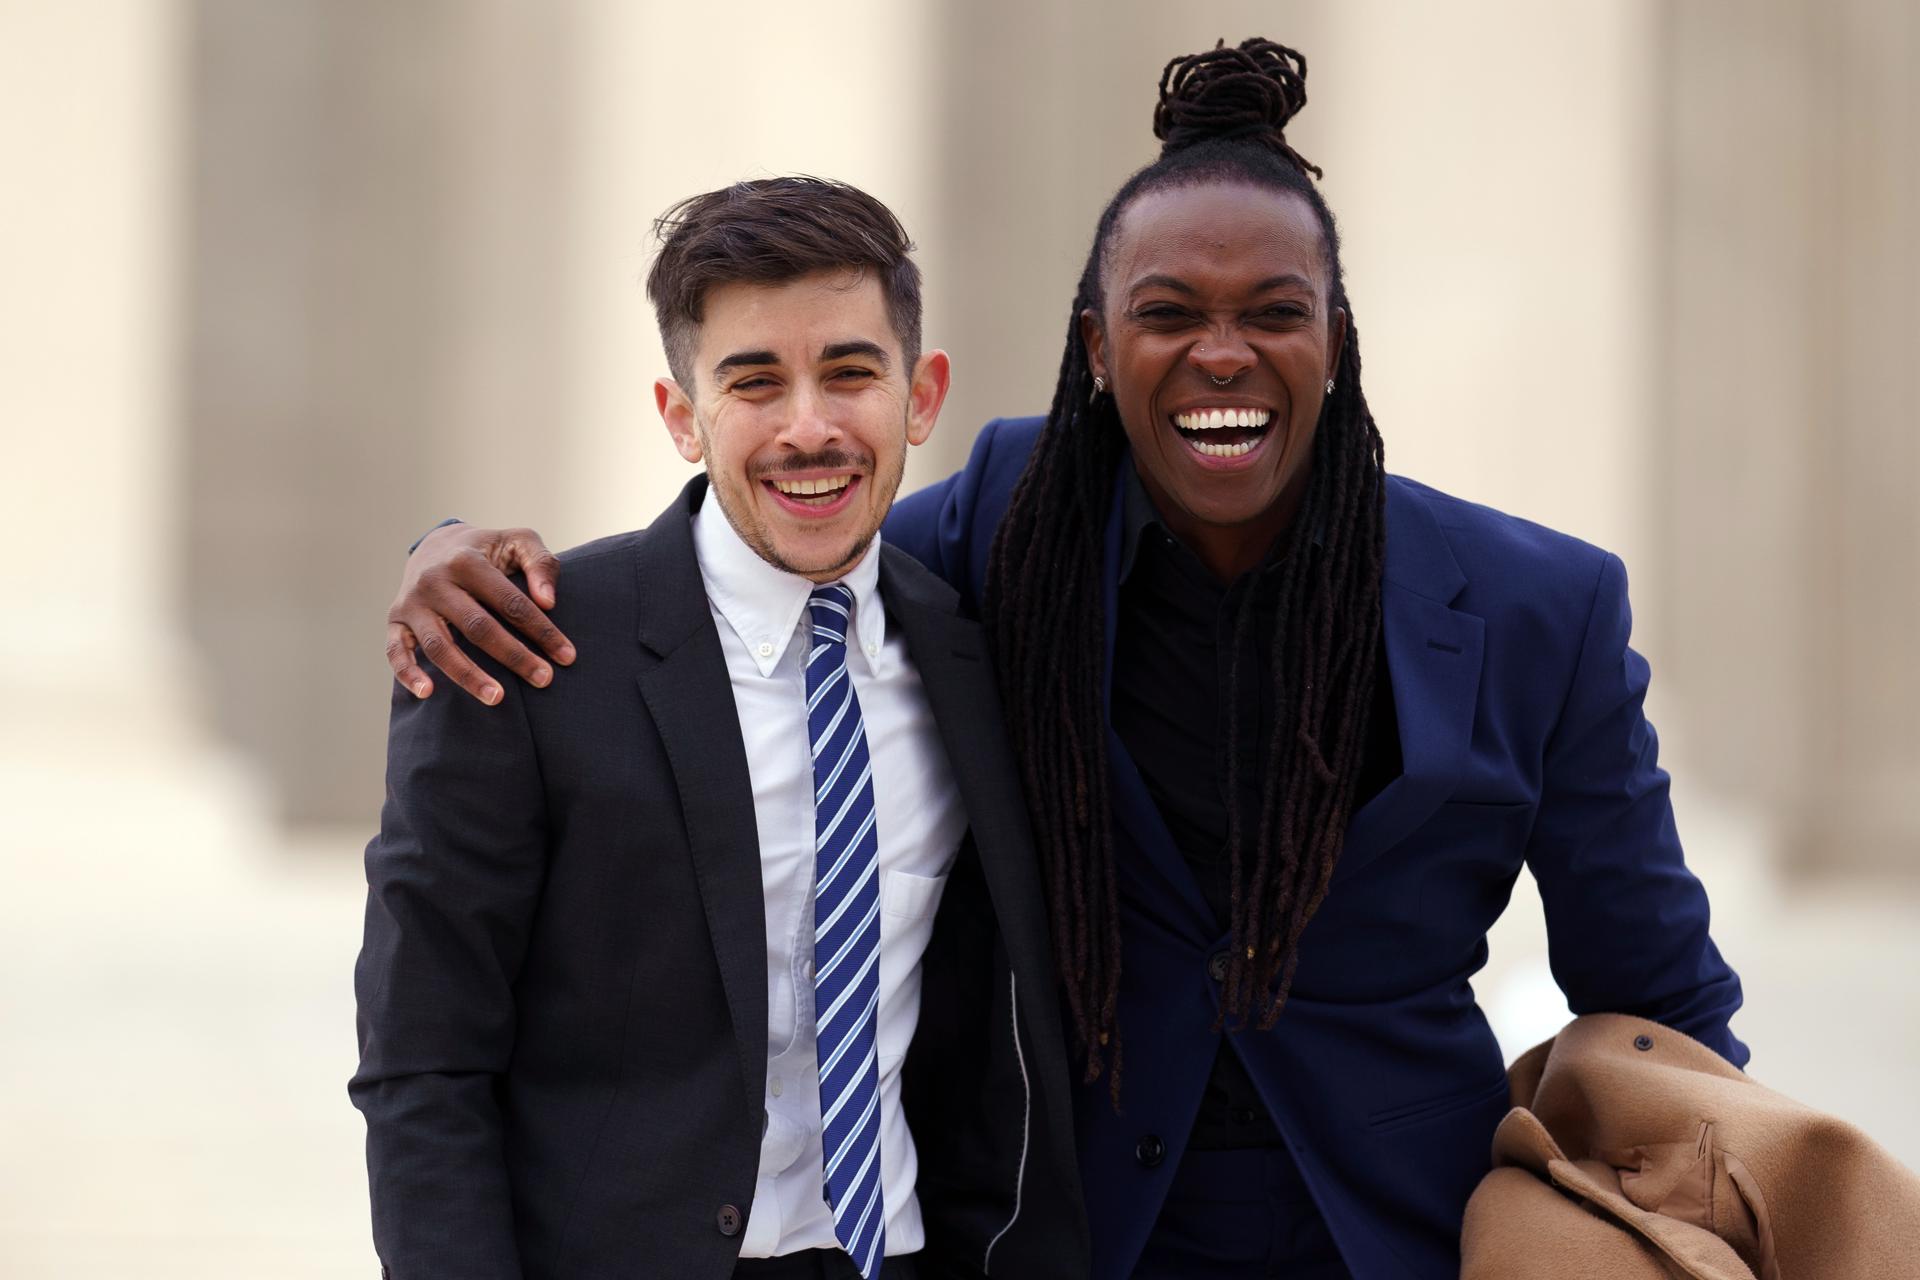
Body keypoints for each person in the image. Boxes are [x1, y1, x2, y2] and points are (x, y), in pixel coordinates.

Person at [380, 40, 1746, 1280]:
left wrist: (1688, 1230)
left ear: (1337, 337)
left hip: (1406, 1236)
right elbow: (788, 547)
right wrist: (452, 552)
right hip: (1085, 1234)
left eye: (1276, 310)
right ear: (1098, 346)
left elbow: (1663, 995)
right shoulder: (1006, 527)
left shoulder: (1534, 606)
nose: (1224, 354)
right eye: (1168, 313)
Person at [350, 177, 1087, 1280]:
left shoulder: (973, 650)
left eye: (850, 372)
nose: (809, 426)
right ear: (681, 414)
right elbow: (423, 1062)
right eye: (754, 383)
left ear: (921, 395)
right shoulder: (520, 650)